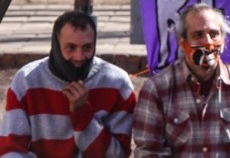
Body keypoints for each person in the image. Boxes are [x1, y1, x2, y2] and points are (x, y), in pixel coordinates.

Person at [132, 2, 230, 156]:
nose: (208, 42)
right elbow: (149, 151)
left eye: (214, 34)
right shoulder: (157, 89)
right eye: (198, 35)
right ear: (183, 43)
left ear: (224, 41)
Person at [0, 10, 136, 157]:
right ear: (56, 46)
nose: (79, 56)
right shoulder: (27, 80)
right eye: (70, 47)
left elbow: (118, 154)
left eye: (87, 48)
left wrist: (82, 115)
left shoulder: (117, 83)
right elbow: (11, 149)